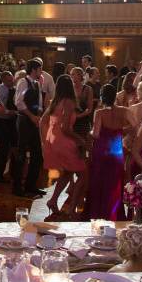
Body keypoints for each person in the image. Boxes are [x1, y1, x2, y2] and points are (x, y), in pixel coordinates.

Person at [41, 74, 86, 218]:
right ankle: (72, 208)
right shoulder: (68, 102)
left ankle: (53, 201)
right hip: (64, 141)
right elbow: (66, 128)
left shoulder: (55, 101)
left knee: (67, 173)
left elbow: (42, 121)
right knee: (84, 173)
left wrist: (45, 141)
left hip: (54, 140)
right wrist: (80, 140)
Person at [85, 84, 129, 221]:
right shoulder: (123, 110)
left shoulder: (99, 112)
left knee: (99, 182)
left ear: (102, 97)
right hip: (116, 151)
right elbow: (135, 126)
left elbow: (96, 134)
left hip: (102, 151)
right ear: (115, 95)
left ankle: (97, 214)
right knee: (114, 183)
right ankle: (114, 214)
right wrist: (120, 132)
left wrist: (89, 132)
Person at [13, 59, 45, 197]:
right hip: (24, 121)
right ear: (33, 70)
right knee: (21, 154)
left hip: (34, 121)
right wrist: (31, 116)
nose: (41, 71)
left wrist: (38, 116)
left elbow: (39, 103)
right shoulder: (23, 82)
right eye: (39, 69)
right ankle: (17, 187)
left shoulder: (37, 83)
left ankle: (31, 185)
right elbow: (18, 102)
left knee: (37, 154)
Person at [0, 71, 18, 184]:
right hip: (0, 120)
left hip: (11, 120)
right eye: (8, 80)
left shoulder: (14, 88)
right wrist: (8, 112)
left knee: (14, 147)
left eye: (12, 79)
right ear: (3, 80)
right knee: (3, 149)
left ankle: (13, 173)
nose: (11, 82)